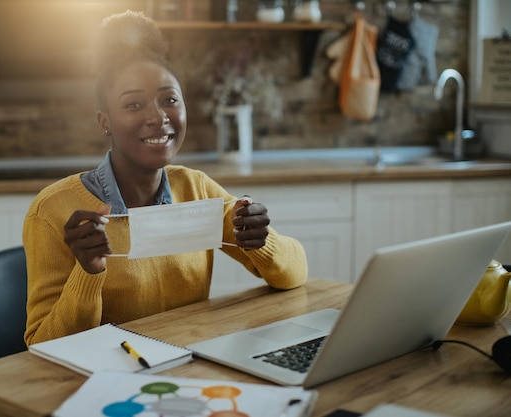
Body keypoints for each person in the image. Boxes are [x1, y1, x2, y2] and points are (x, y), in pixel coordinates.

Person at [23, 10, 308, 346]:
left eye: (169, 100)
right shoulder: (52, 212)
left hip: (188, 371)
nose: (158, 117)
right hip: (105, 384)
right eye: (133, 105)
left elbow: (295, 275)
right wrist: (88, 272)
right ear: (105, 121)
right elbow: (41, 345)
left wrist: (263, 242)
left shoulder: (196, 189)